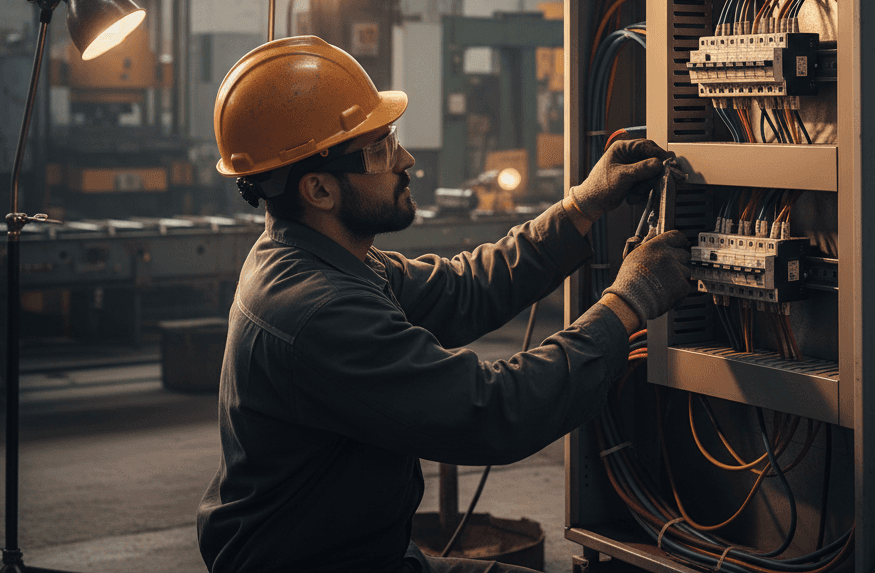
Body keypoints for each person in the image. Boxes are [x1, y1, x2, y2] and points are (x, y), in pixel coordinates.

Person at [197, 35, 691, 573]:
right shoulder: (316, 310)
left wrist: (582, 204)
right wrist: (628, 301)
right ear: (319, 190)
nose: (405, 159)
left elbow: (463, 289)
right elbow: (492, 411)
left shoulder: (317, 258)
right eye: (381, 149)